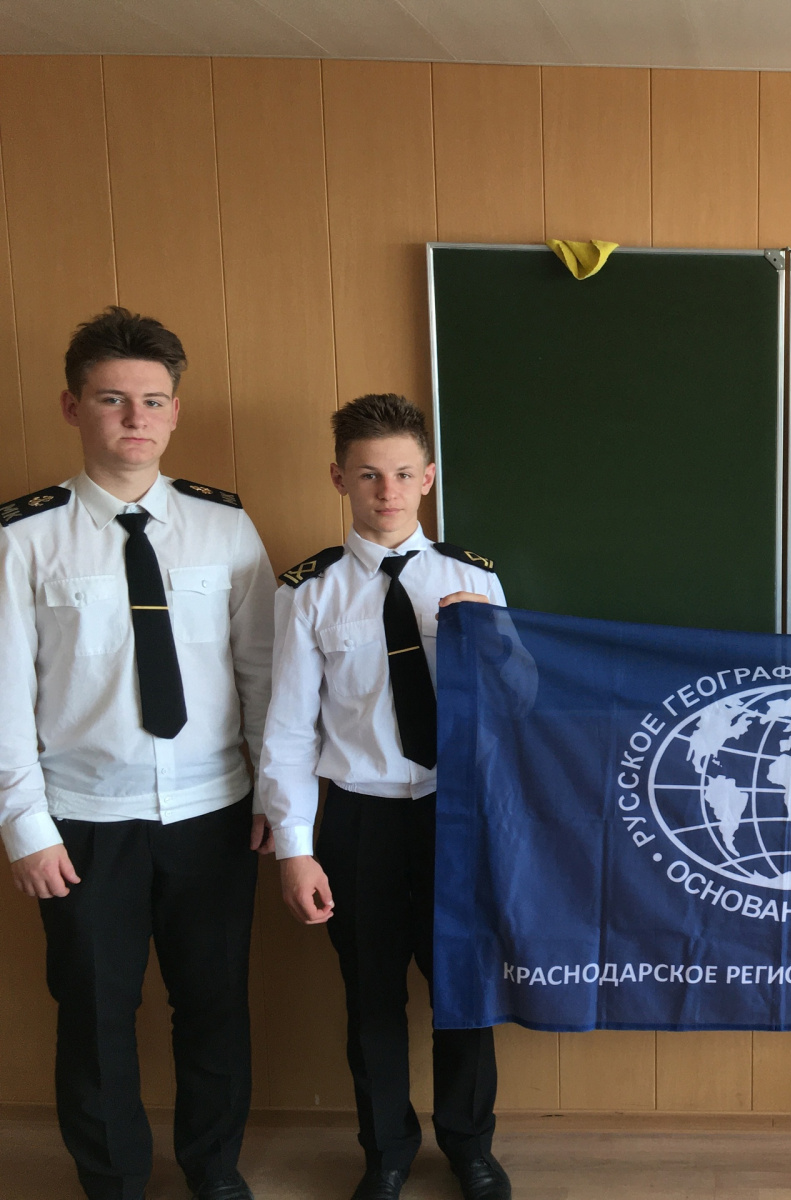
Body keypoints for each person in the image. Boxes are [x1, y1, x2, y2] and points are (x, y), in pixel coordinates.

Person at [0, 308, 276, 1200]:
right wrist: (24, 826)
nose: (134, 418)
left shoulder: (224, 526)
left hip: (213, 812)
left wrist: (273, 798)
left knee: (215, 1007)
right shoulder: (22, 538)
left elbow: (263, 675)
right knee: (94, 1014)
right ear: (72, 406)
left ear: (175, 411)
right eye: (111, 398)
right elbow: (3, 697)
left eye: (153, 400)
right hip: (83, 821)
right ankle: (113, 1182)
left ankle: (214, 1171)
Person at [257, 393, 510, 1200]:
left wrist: (494, 642)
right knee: (370, 997)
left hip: (455, 816)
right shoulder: (309, 591)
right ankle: (387, 1153)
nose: (387, 491)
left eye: (403, 474)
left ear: (428, 478)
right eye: (368, 474)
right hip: (359, 818)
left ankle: (470, 1145)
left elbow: (523, 704)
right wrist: (295, 851)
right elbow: (288, 731)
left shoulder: (473, 577)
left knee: (463, 990)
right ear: (339, 478)